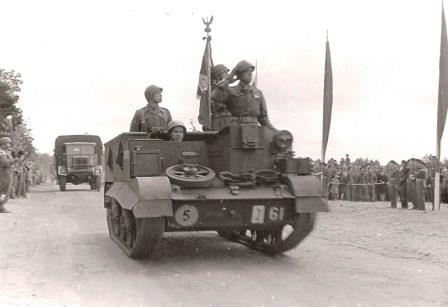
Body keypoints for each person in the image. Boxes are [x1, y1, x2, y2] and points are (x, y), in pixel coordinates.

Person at [223, 60, 276, 129]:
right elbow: (214, 98)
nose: (250, 74)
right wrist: (228, 80)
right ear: (239, 75)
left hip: (254, 129)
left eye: (251, 72)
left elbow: (263, 118)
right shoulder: (230, 91)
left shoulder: (258, 93)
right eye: (247, 72)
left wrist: (275, 131)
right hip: (236, 130)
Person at [210, 64, 233, 131]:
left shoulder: (228, 88)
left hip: (230, 119)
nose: (227, 75)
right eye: (225, 73)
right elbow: (211, 102)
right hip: (219, 120)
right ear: (218, 76)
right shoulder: (213, 89)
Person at [0, 137, 14, 213]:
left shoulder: (6, 152)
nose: (9, 145)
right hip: (3, 174)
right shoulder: (1, 153)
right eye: (8, 143)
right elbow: (5, 163)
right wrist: (11, 160)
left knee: (6, 190)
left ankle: (2, 205)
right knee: (3, 191)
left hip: (7, 173)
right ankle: (1, 206)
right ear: (3, 144)